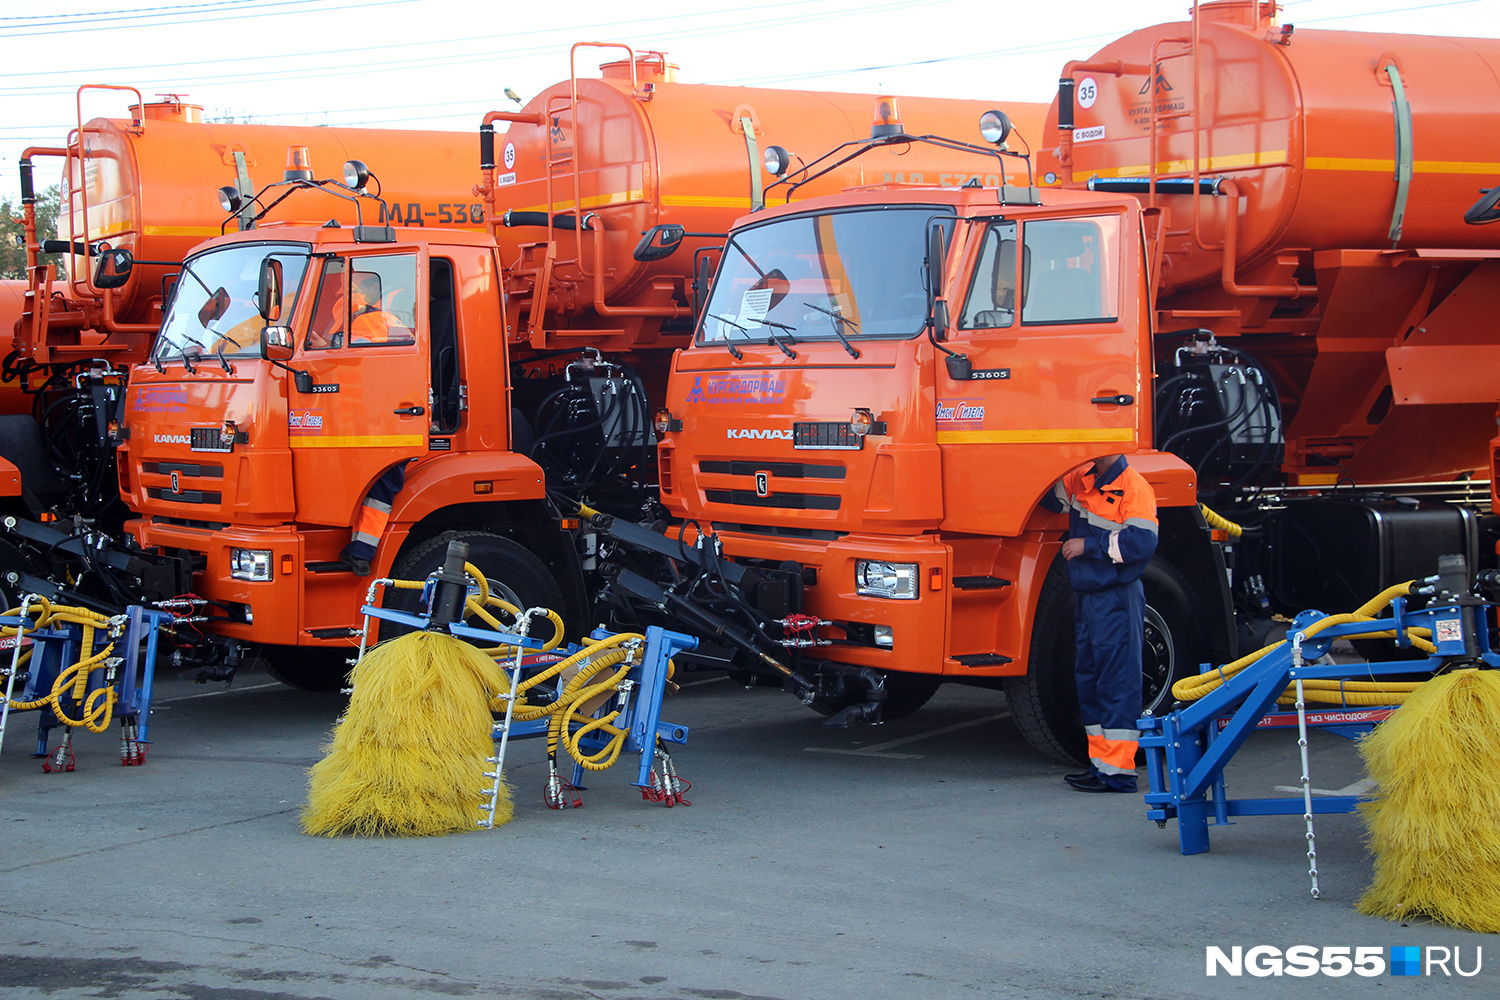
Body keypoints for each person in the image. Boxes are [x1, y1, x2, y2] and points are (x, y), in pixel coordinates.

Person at [1044, 453, 1158, 793]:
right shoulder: (1083, 477)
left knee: (1116, 682)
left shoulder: (1134, 486)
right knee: (1091, 680)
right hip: (1091, 596)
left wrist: (1087, 545)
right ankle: (1102, 765)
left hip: (1117, 596)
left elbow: (1141, 544)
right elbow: (1051, 498)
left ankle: (1120, 773)